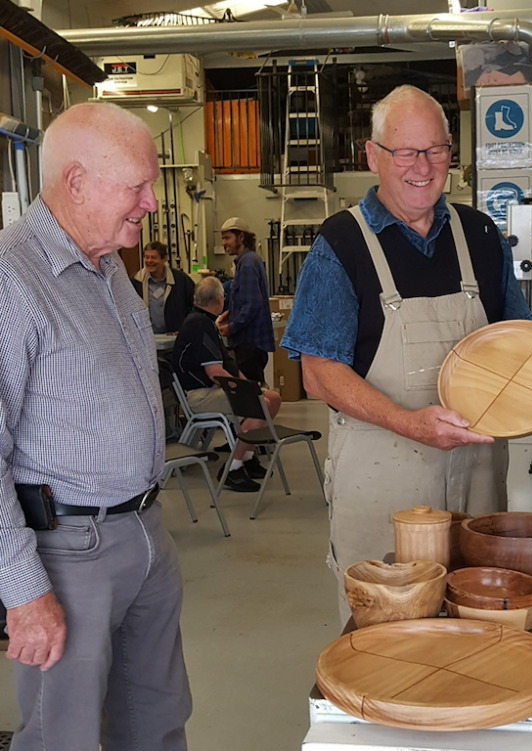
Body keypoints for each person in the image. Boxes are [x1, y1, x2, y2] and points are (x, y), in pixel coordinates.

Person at [281, 85, 532, 622]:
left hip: (477, 478)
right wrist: (411, 424)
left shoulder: (481, 234)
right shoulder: (340, 244)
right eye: (405, 152)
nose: (422, 167)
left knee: (479, 626)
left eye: (436, 150)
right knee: (384, 637)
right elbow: (319, 377)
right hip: (382, 484)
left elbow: (520, 344)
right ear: (372, 156)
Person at [0, 102, 191, 749]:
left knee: (157, 720)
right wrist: (24, 593)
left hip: (142, 531)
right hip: (67, 551)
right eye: (137, 184)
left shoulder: (109, 268)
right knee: (66, 735)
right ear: (75, 182)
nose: (153, 202)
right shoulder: (12, 276)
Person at [173, 276, 282, 493]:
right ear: (220, 300)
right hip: (198, 395)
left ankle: (248, 456)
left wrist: (248, 385)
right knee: (259, 405)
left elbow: (228, 366)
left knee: (273, 398)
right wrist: (248, 391)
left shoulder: (205, 321)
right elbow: (215, 374)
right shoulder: (199, 325)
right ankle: (233, 468)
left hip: (209, 389)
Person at [216, 217, 275, 384]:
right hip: (251, 343)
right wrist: (231, 314)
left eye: (227, 238)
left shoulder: (247, 263)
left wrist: (232, 328)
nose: (224, 243)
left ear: (241, 237)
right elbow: (248, 300)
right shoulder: (247, 261)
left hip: (249, 344)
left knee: (252, 396)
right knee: (255, 393)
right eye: (223, 238)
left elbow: (252, 304)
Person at [131, 240, 196, 334]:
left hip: (175, 338)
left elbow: (195, 306)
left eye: (153, 258)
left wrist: (186, 328)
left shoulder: (181, 280)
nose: (149, 261)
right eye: (146, 257)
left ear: (164, 259)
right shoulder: (136, 281)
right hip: (147, 339)